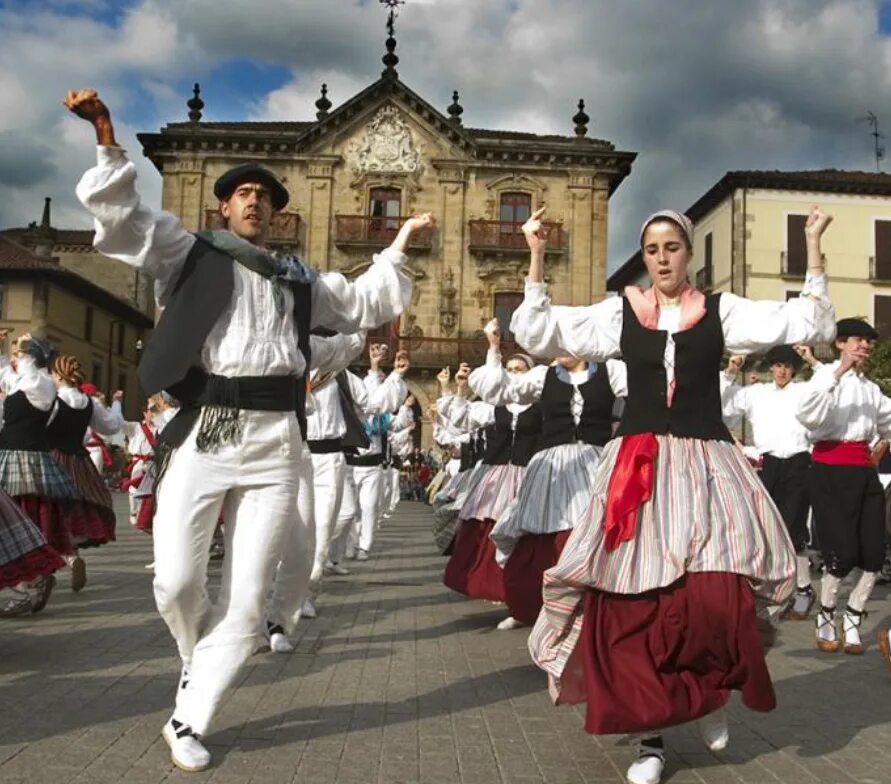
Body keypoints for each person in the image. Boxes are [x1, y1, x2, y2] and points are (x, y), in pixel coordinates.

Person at [67, 87, 433, 772]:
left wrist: (399, 246)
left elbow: (363, 302)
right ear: (224, 207)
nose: (254, 201)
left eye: (265, 196)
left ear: (276, 213)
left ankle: (190, 716)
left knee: (248, 599)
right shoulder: (191, 253)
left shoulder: (301, 280)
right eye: (241, 194)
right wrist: (107, 135)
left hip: (276, 443)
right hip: (208, 428)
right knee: (175, 583)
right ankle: (193, 660)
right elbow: (125, 220)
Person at [515, 206, 835, 784]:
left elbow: (811, 325)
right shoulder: (622, 312)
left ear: (688, 253)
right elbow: (537, 332)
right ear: (645, 257)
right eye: (653, 249)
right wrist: (536, 254)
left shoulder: (721, 311)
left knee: (712, 595)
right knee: (632, 603)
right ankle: (651, 740)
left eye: (672, 247)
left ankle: (708, 694)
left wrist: (811, 246)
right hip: (637, 466)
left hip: (706, 463)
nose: (662, 258)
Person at [470, 318, 626, 629]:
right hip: (552, 463)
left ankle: (590, 605)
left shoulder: (611, 371)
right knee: (538, 531)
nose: (562, 348)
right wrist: (494, 349)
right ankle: (531, 604)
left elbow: (650, 387)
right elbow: (500, 390)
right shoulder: (543, 377)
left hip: (596, 460)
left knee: (590, 529)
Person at [795, 318, 891, 656]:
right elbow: (808, 416)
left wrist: (881, 446)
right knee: (842, 552)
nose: (864, 346)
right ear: (840, 344)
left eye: (867, 342)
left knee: (874, 554)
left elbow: (888, 423)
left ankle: (852, 616)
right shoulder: (823, 377)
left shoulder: (872, 389)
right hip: (830, 471)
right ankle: (826, 613)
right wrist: (836, 374)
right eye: (857, 340)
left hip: (864, 472)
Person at [721, 344, 821, 620]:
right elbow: (721, 404)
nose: (782, 371)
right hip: (769, 464)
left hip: (799, 463)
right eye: (777, 365)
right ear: (770, 367)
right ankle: (771, 588)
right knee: (764, 527)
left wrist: (812, 359)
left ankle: (802, 589)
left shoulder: (803, 391)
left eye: (788, 366)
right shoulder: (756, 393)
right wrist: (731, 371)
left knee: (793, 528)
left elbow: (828, 388)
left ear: (794, 369)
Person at [442, 351, 542, 613]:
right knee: (489, 527)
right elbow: (461, 420)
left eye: (520, 368)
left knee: (522, 532)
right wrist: (460, 389)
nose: (514, 372)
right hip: (496, 475)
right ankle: (495, 585)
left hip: (528, 472)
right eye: (510, 368)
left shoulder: (541, 406)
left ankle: (521, 591)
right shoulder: (493, 408)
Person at [47, 354, 124, 591]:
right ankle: (72, 556)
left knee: (48, 509)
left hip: (53, 458)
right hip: (80, 461)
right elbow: (111, 425)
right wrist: (117, 403)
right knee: (73, 509)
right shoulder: (88, 402)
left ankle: (54, 564)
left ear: (59, 375)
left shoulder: (53, 400)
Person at [0, 332, 78, 565]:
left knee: (22, 509)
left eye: (20, 354)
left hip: (20, 456)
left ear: (30, 358)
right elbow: (5, 374)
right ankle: (57, 559)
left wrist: (23, 346)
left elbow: (23, 370)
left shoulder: (38, 383)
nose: (16, 358)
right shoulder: (32, 383)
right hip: (26, 454)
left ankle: (35, 568)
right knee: (27, 510)